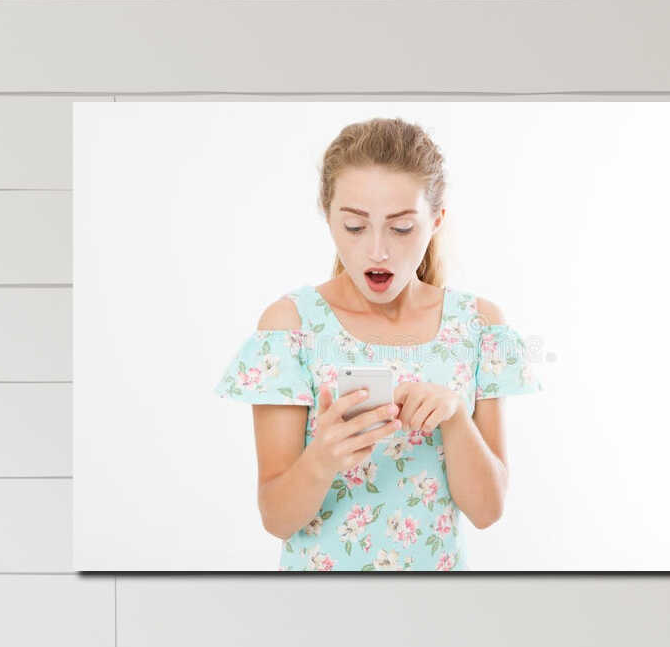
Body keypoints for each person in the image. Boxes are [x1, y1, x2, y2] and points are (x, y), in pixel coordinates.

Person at [213, 117, 543, 571]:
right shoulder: (291, 327)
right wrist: (322, 458)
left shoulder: (479, 325)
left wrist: (453, 416)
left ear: (436, 221)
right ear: (328, 218)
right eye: (354, 226)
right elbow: (276, 518)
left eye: (401, 228)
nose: (378, 251)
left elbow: (488, 511)